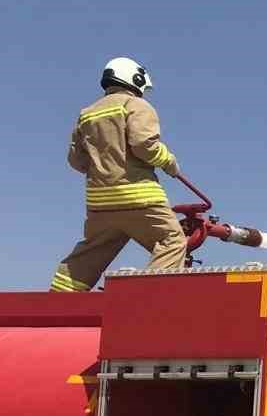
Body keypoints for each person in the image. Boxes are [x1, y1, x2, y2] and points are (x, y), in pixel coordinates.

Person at [52, 58, 186, 293]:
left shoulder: (87, 114)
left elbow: (76, 160)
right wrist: (169, 162)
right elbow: (144, 144)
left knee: (93, 251)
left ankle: (59, 301)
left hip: (99, 203)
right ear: (135, 79)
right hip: (139, 198)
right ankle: (147, 298)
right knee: (172, 241)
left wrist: (103, 168)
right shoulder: (136, 105)